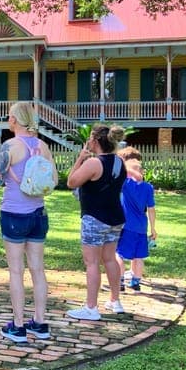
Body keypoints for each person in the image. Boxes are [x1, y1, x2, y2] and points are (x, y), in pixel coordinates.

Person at [0, 102, 58, 343]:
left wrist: (7, 173)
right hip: (38, 213)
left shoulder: (9, 146)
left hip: (13, 213)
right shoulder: (42, 146)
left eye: (9, 117)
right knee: (38, 269)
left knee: (16, 271)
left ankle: (18, 326)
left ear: (14, 120)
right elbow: (53, 179)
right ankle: (40, 323)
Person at [66, 124, 128, 321]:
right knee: (110, 259)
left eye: (90, 138)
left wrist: (81, 158)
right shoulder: (119, 162)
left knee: (91, 262)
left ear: (95, 141)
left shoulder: (94, 163)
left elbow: (71, 182)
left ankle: (91, 307)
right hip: (115, 218)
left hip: (95, 218)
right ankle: (115, 301)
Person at [114, 149, 157, 292]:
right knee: (139, 256)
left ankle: (119, 282)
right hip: (142, 227)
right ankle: (136, 282)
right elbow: (151, 209)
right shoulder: (148, 187)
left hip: (127, 226)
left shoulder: (126, 184)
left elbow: (119, 176)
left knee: (119, 254)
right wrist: (153, 228)